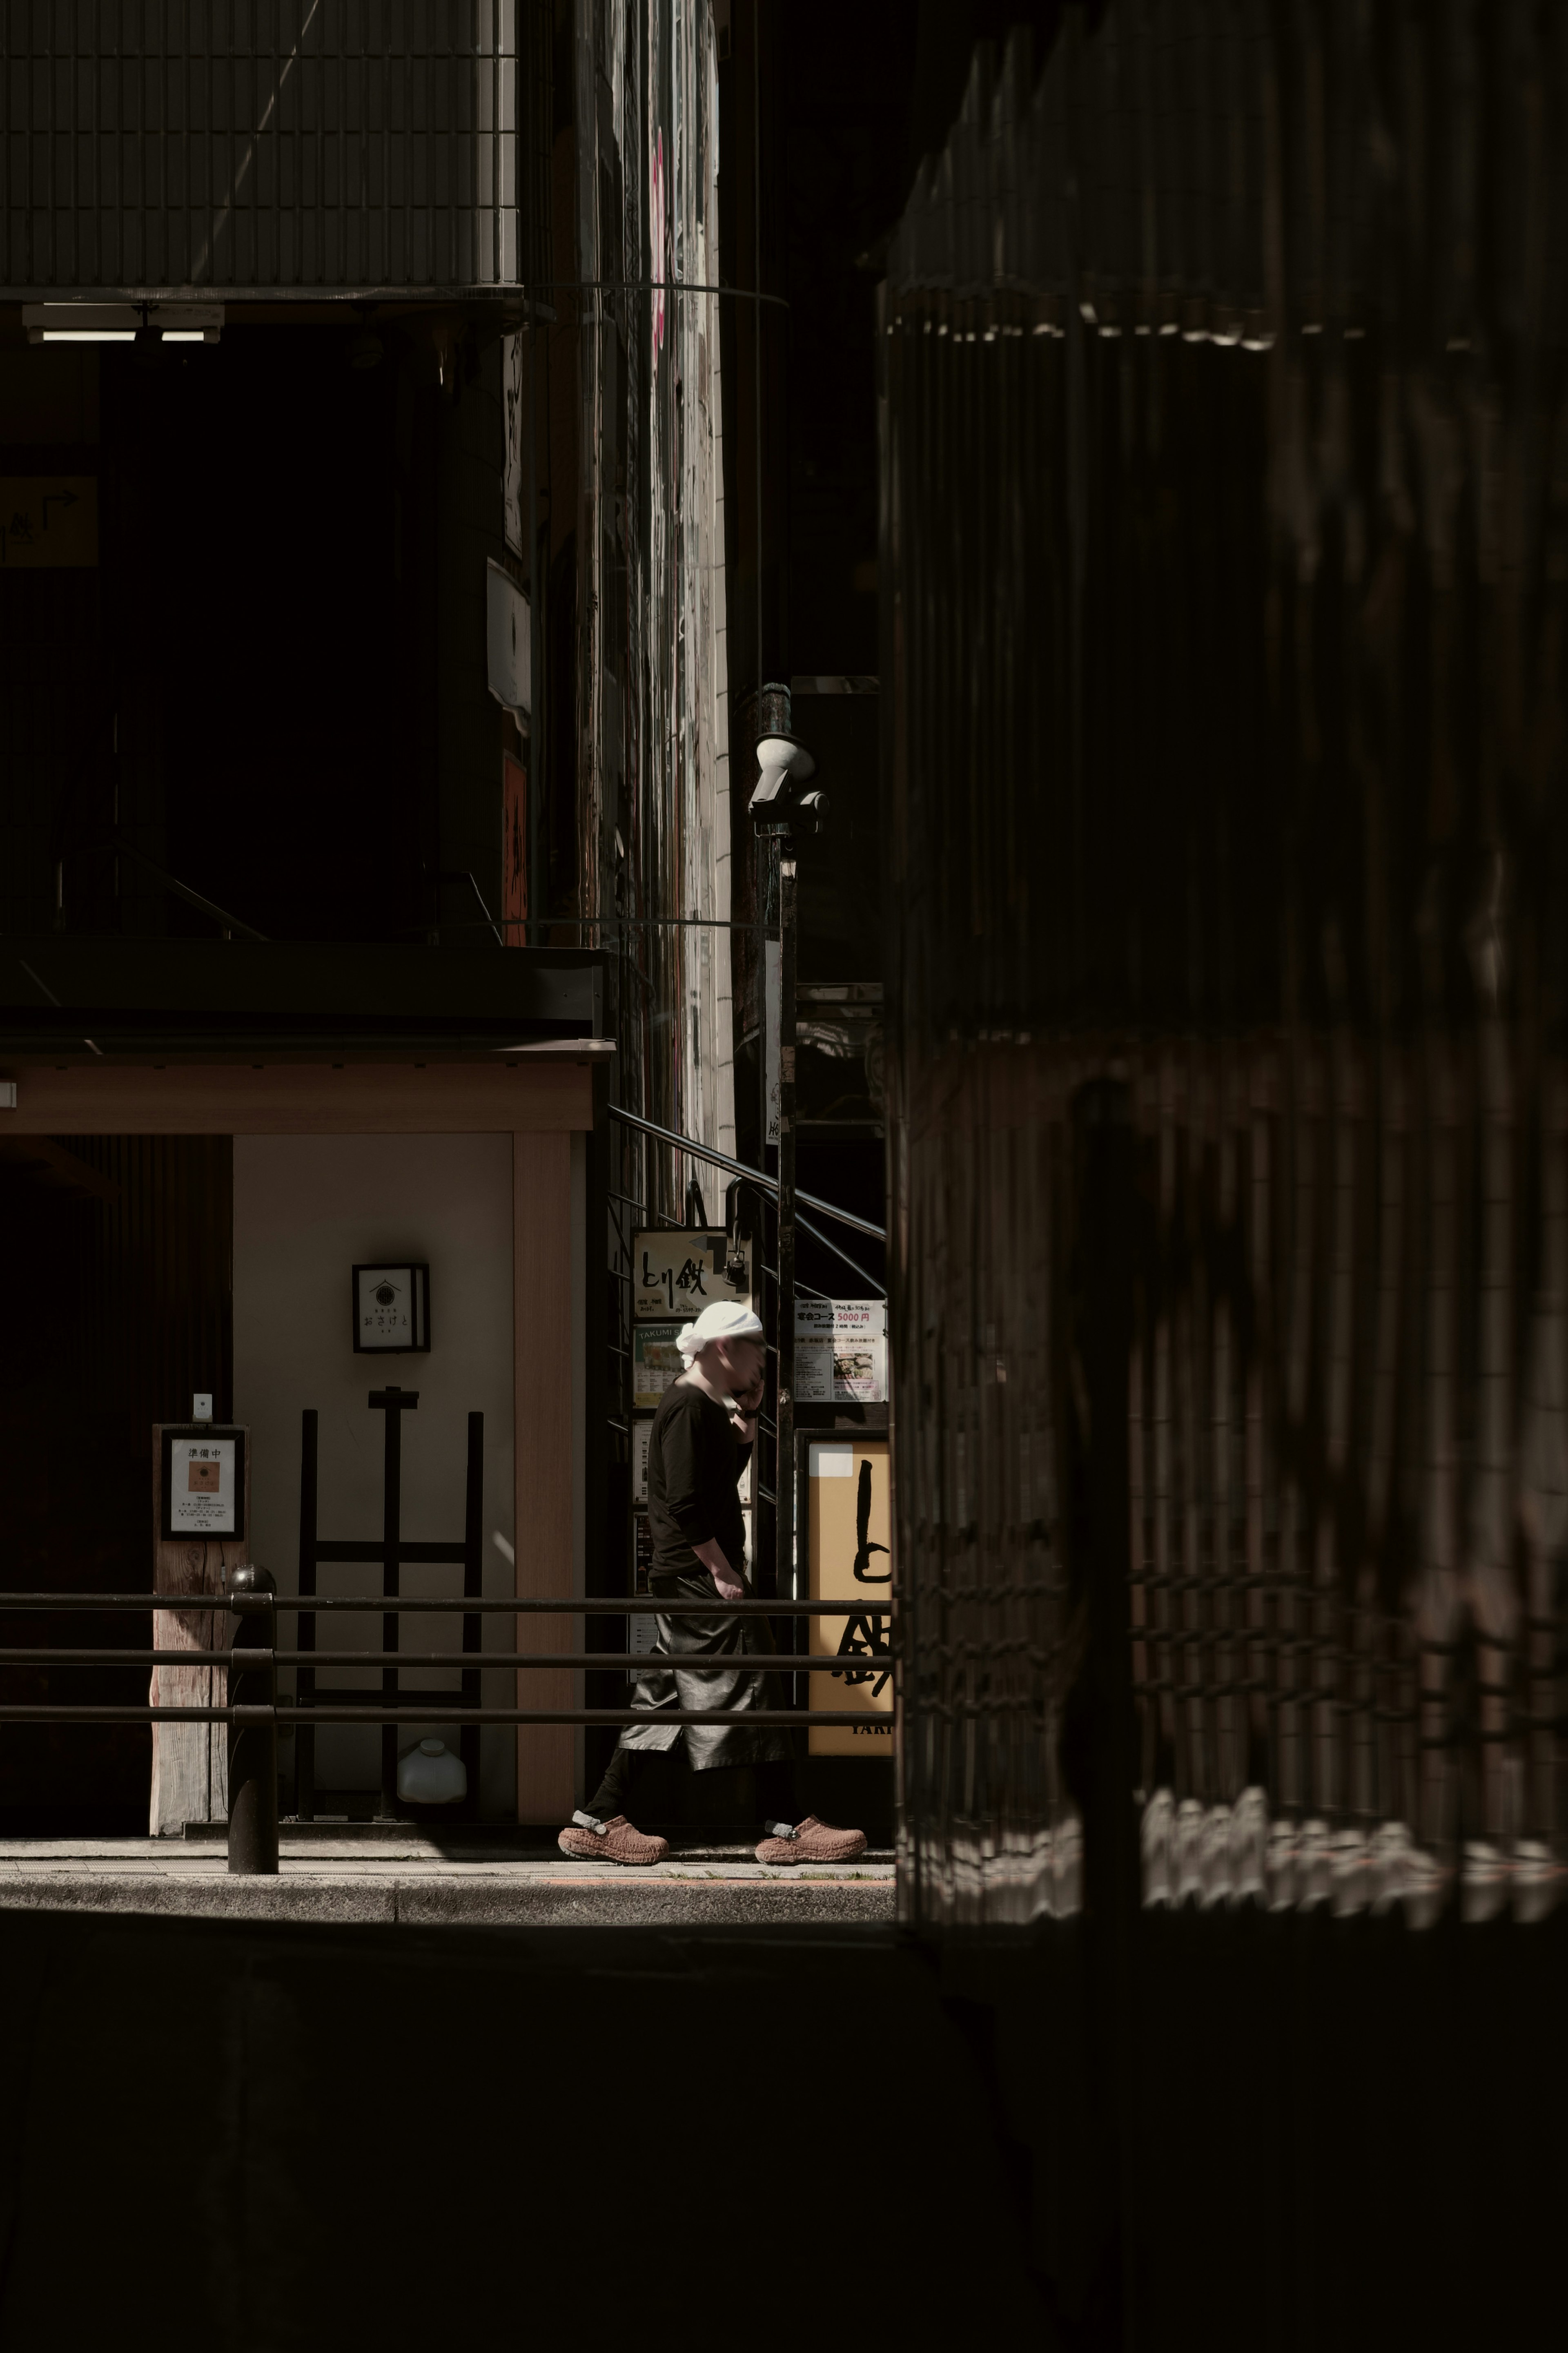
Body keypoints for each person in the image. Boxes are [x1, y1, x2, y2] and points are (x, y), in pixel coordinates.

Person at [559, 1298, 867, 1867]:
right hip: (699, 1577)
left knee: (665, 1698)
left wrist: (748, 1418)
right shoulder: (686, 1405)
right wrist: (722, 1570)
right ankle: (789, 1825)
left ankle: (598, 1816)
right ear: (725, 1347)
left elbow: (719, 1481)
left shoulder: (702, 1403)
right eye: (756, 1350)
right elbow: (684, 1500)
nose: (762, 1363)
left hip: (688, 1576)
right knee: (761, 1681)